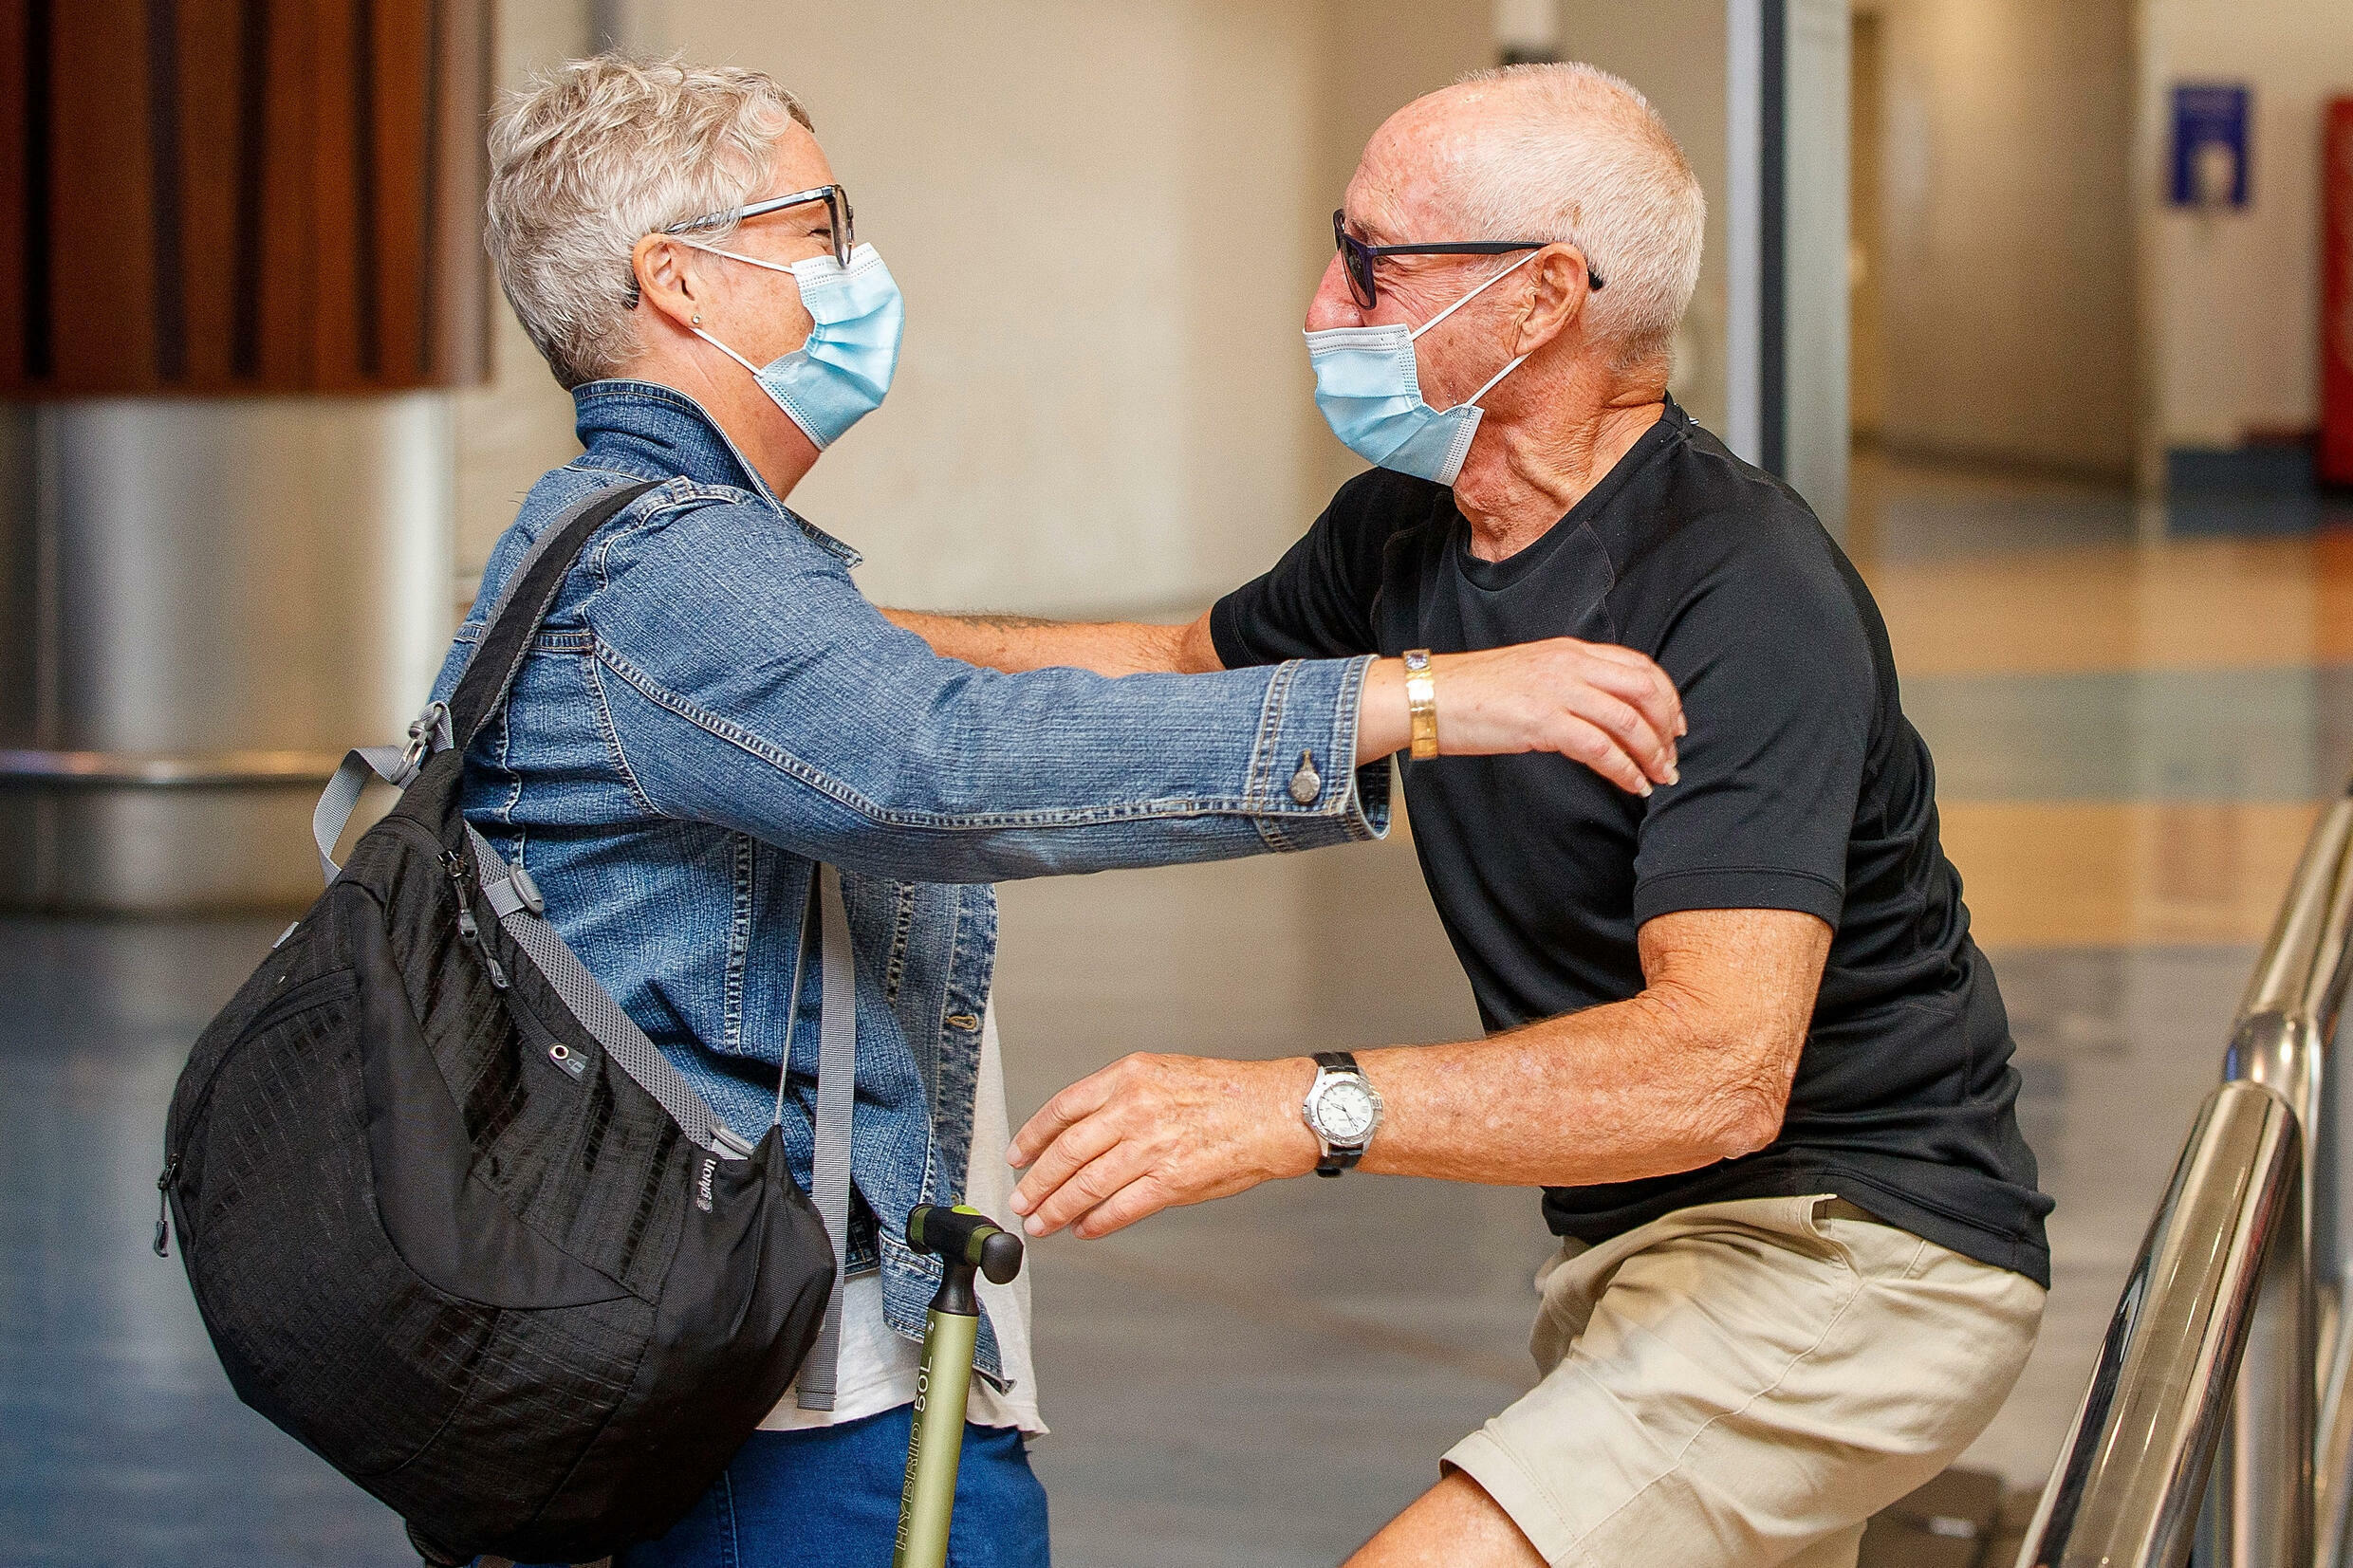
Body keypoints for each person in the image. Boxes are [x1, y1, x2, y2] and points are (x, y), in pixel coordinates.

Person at [458, 56, 1685, 1568]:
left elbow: (954, 698)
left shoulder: (668, 560)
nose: (855, 265)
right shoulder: (673, 571)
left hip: (731, 1394)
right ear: (681, 285)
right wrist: (1419, 698)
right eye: (816, 223)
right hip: (779, 1430)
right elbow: (943, 764)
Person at [889, 63, 2050, 1568]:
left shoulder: (1741, 588)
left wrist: (1291, 1108)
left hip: (1857, 1253)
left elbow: (1717, 1071)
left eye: (1372, 260)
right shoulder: (1402, 535)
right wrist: (821, 643)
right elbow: (1170, 673)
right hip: (1639, 1253)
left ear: (1539, 298)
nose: (1323, 301)